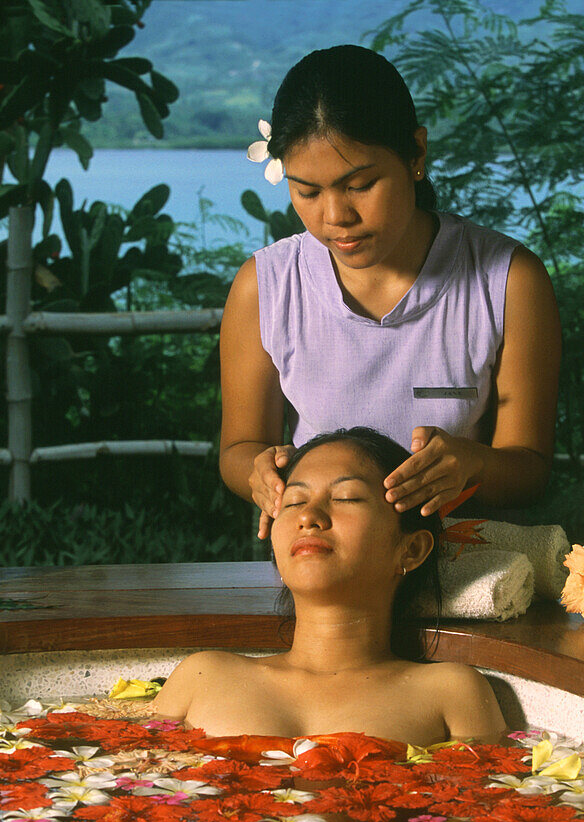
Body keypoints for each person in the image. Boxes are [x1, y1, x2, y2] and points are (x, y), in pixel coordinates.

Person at [219, 45, 561, 541]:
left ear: (416, 154)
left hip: (464, 563)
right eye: (307, 192)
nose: (335, 217)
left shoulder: (507, 281)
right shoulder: (266, 286)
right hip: (323, 563)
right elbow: (239, 449)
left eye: (359, 184)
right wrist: (260, 472)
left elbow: (529, 471)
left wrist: (470, 464)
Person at [154, 428, 508, 745]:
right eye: (293, 502)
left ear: (411, 549)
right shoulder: (201, 678)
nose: (308, 516)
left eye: (346, 498)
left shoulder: (450, 693)